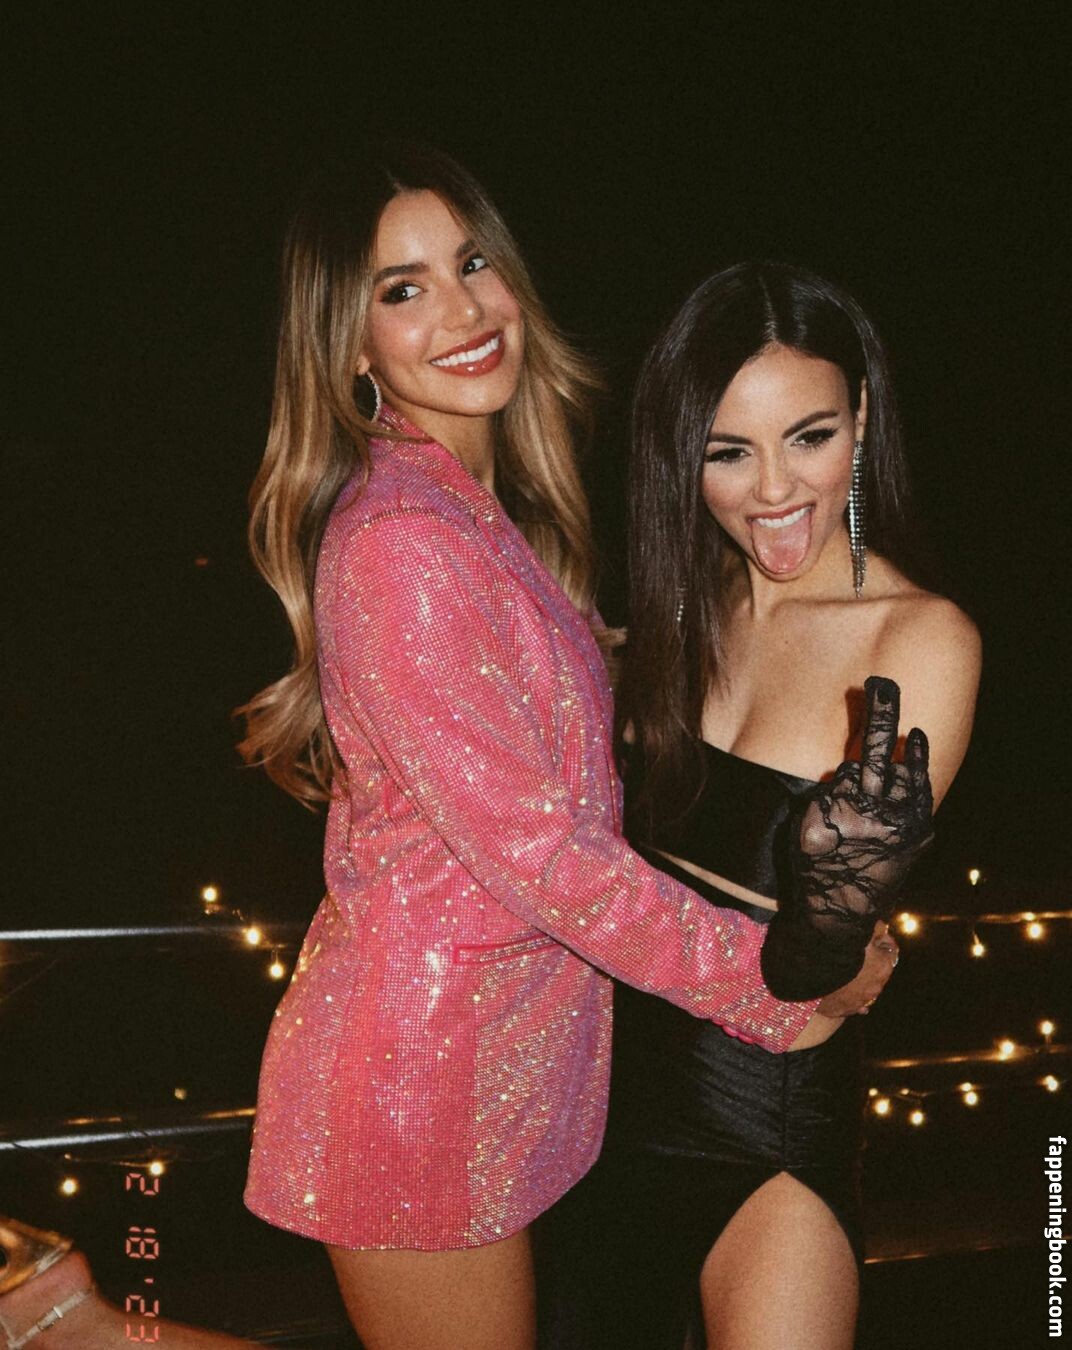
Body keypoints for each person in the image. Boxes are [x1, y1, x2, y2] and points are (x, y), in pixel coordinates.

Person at [0, 157, 896, 1350]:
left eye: (472, 264)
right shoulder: (402, 543)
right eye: (403, 289)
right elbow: (542, 855)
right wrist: (777, 982)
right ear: (351, 345)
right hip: (419, 1081)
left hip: (493, 1064)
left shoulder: (478, 513)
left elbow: (540, 730)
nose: (465, 311)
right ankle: (76, 1334)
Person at [538, 262, 981, 1350]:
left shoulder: (920, 640)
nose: (772, 489)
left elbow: (818, 980)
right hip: (589, 1124)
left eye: (809, 437)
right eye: (726, 451)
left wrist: (835, 900)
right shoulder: (675, 619)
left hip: (767, 1134)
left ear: (862, 418)